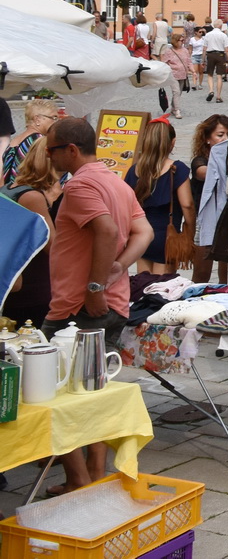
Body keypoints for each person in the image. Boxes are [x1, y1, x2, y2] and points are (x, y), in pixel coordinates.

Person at [43, 117, 151, 490]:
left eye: (51, 149)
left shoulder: (81, 184)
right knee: (92, 391)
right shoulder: (114, 181)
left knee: (55, 394)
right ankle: (94, 475)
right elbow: (142, 232)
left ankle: (79, 479)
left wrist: (94, 286)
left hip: (78, 306)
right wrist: (119, 266)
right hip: (107, 302)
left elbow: (106, 229)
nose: (48, 156)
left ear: (71, 150)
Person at [3, 140, 62, 326]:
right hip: (32, 287)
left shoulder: (9, 188)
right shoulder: (33, 197)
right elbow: (53, 246)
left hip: (16, 282)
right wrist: (53, 201)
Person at [123, 120, 191, 275]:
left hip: (141, 236)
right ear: (172, 142)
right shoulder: (177, 169)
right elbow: (187, 204)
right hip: (167, 236)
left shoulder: (134, 170)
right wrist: (190, 230)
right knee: (163, 286)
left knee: (144, 284)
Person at [188, 115, 228, 285]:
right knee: (201, 273)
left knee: (226, 271)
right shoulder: (200, 161)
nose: (225, 139)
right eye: (220, 135)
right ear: (207, 139)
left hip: (227, 218)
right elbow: (203, 172)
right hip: (205, 220)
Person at [4, 102, 59, 186]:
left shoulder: (15, 140)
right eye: (53, 118)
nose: (56, 122)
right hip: (28, 191)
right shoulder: (39, 141)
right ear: (37, 119)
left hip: (8, 191)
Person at [161, 30, 192, 119]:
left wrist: (193, 71)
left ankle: (173, 108)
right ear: (175, 41)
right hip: (173, 75)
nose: (183, 42)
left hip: (183, 75)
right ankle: (177, 111)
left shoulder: (185, 50)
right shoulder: (169, 51)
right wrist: (168, 70)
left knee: (179, 93)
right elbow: (164, 62)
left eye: (183, 40)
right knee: (176, 92)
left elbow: (189, 62)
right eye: (181, 40)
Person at [202, 22, 228, 103]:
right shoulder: (223, 35)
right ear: (221, 26)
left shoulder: (208, 35)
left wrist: (203, 59)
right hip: (220, 55)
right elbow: (227, 49)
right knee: (219, 76)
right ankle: (218, 96)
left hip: (210, 55)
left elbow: (204, 48)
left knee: (210, 74)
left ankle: (211, 90)